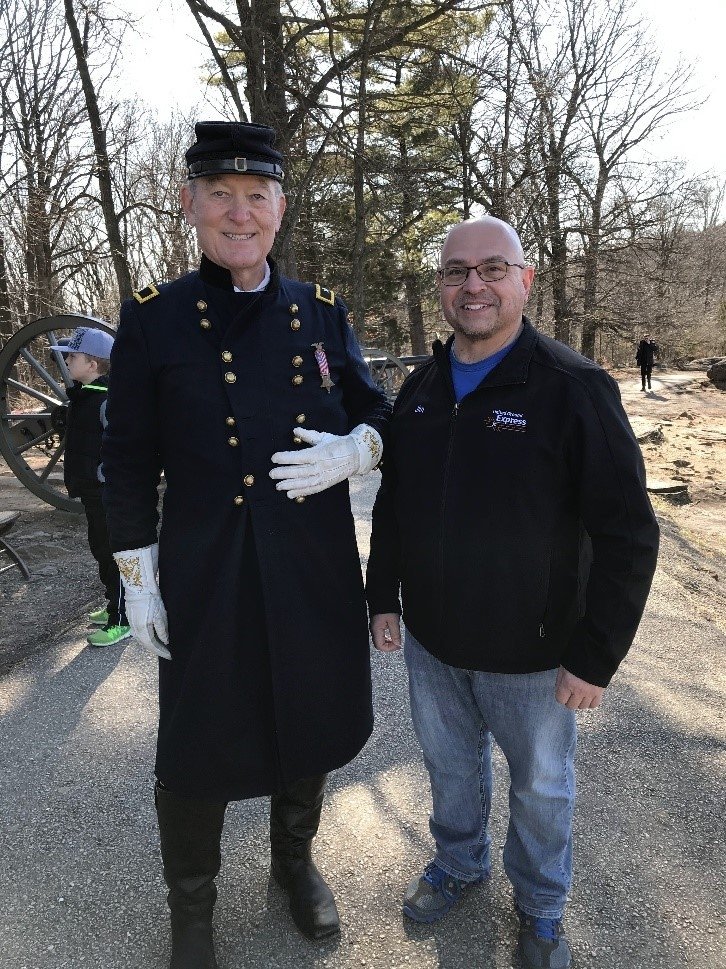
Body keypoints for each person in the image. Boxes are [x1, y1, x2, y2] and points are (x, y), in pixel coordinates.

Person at [101, 121, 390, 969]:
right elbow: (123, 460)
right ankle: (191, 907)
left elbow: (378, 412)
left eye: (256, 196)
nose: (238, 212)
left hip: (309, 566)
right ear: (189, 204)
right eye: (219, 195)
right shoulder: (153, 321)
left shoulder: (321, 312)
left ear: (280, 209)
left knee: (308, 714)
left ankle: (294, 866)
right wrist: (136, 574)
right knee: (196, 741)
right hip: (207, 568)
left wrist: (353, 451)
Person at [366, 216, 659, 969]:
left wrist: (596, 656)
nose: (473, 285)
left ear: (525, 279)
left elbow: (629, 533)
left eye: (493, 269)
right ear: (440, 286)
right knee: (450, 769)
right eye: (456, 271)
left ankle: (541, 908)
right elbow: (394, 503)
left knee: (541, 790)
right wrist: (382, 595)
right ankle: (460, 864)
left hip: (534, 653)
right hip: (434, 644)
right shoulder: (423, 389)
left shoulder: (573, 388)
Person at [49, 327, 130, 647]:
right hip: (93, 492)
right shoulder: (85, 397)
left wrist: (103, 475)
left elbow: (124, 448)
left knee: (114, 553)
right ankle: (113, 600)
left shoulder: (107, 401)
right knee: (100, 548)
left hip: (106, 492)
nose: (67, 361)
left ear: (94, 365)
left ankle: (122, 617)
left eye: (73, 356)